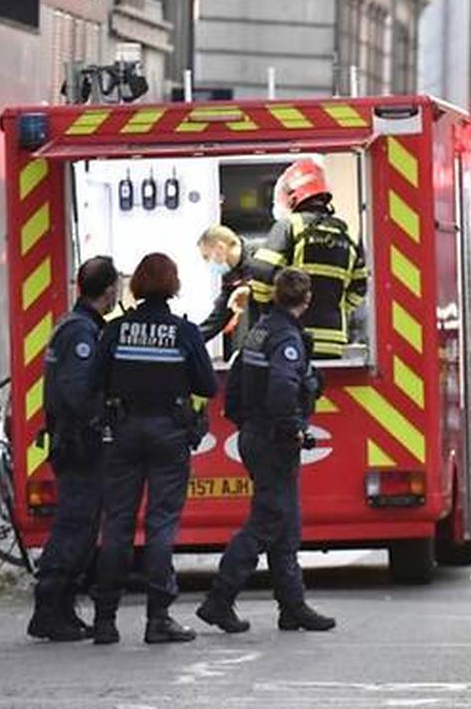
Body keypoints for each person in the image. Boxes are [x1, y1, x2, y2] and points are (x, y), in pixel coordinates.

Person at [196, 268, 336, 635]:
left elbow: (238, 380)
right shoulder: (286, 337)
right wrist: (293, 429)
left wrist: (246, 422)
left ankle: (292, 606)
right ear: (306, 301)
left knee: (285, 524)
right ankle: (219, 600)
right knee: (266, 522)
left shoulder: (258, 330)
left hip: (256, 434)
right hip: (274, 439)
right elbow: (282, 387)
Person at [89, 253, 218, 645]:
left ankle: (105, 620)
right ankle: (158, 618)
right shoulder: (184, 332)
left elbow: (96, 379)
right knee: (161, 523)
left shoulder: (116, 330)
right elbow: (208, 386)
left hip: (124, 432)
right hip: (169, 433)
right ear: (173, 284)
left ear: (138, 285)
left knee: (117, 524)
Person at [28, 257, 121, 642]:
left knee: (79, 528)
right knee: (75, 528)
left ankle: (61, 609)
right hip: (80, 445)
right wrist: (102, 419)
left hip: (74, 442)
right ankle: (49, 610)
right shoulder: (82, 333)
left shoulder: (77, 326)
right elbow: (78, 392)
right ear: (109, 290)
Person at [248, 158, 368, 359]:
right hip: (333, 341)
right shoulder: (344, 233)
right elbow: (360, 286)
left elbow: (261, 274)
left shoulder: (290, 226)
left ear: (292, 197)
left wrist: (272, 310)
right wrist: (335, 308)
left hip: (292, 337)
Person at [196, 224, 259, 344]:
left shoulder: (262, 256)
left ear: (220, 248)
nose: (207, 262)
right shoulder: (231, 273)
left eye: (206, 257)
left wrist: (250, 289)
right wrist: (191, 340)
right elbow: (220, 315)